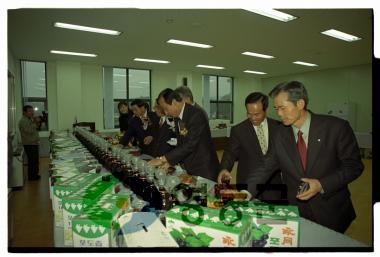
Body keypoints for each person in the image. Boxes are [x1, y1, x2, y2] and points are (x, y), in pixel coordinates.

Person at [241, 81, 363, 233]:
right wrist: (246, 192)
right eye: (276, 108)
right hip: (297, 209)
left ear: (300, 103)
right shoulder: (279, 134)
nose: (278, 113)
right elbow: (266, 166)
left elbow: (353, 166)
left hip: (331, 209)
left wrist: (321, 184)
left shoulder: (336, 128)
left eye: (282, 108)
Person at [217, 92, 283, 201]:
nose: (252, 118)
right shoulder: (239, 130)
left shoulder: (279, 128)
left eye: (257, 114)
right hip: (247, 182)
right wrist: (224, 168)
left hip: (273, 183)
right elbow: (230, 153)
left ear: (265, 110)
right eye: (249, 114)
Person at [148, 88, 219, 181]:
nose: (165, 112)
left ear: (174, 102)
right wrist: (170, 163)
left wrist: (163, 159)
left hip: (204, 168)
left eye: (166, 108)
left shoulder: (196, 114)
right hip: (191, 166)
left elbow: (190, 144)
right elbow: (183, 139)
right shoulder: (179, 117)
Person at [18, 105, 40, 180]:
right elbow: (30, 131)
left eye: (32, 110)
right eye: (30, 111)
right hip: (29, 144)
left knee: (35, 160)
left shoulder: (29, 119)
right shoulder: (23, 121)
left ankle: (35, 175)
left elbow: (34, 129)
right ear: (24, 112)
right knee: (32, 161)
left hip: (33, 143)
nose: (32, 112)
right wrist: (35, 122)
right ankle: (32, 177)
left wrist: (35, 122)